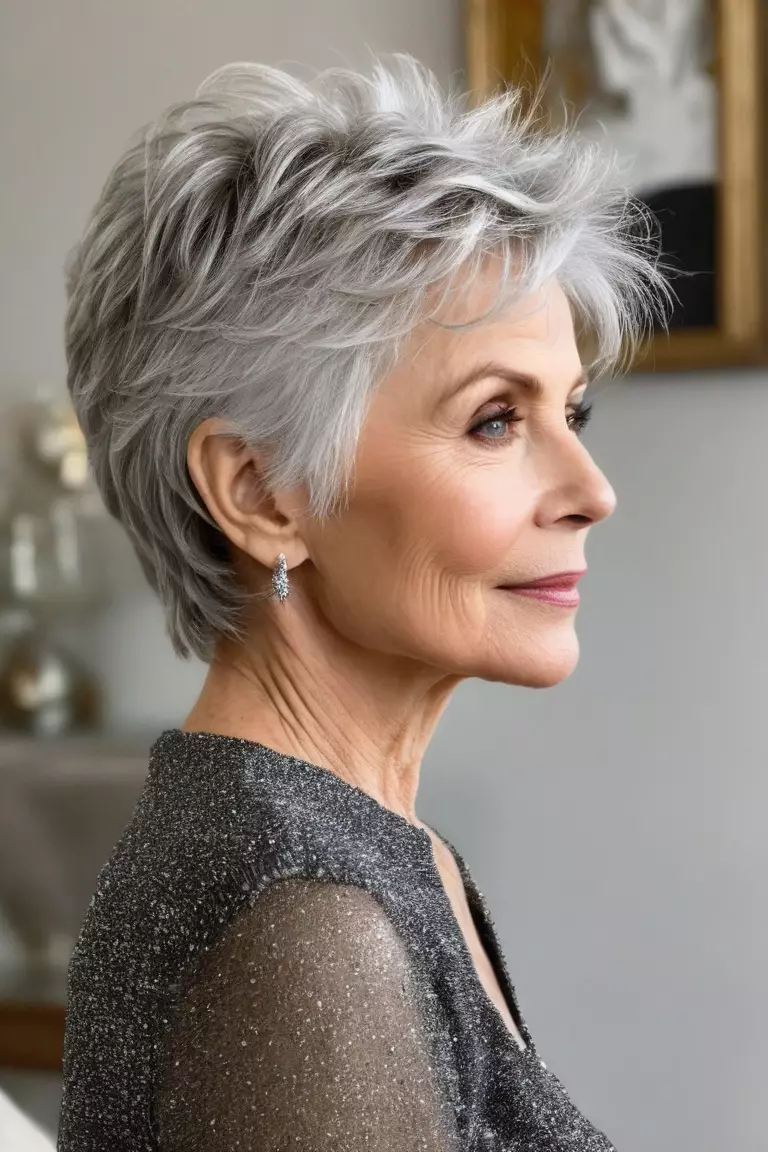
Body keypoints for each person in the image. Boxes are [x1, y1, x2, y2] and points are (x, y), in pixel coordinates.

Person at [57, 52, 669, 1151]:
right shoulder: (305, 919)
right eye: (495, 420)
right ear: (259, 495)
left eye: (574, 411)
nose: (593, 492)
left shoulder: (355, 847)